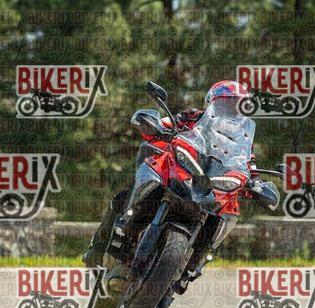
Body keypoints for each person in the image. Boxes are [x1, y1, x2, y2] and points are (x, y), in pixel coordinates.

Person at [82, 80, 254, 269]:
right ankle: (97, 247)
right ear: (210, 103)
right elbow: (167, 123)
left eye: (236, 107)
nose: (230, 111)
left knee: (228, 209)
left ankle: (195, 262)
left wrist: (256, 183)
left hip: (210, 186)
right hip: (179, 171)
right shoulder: (192, 116)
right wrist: (157, 127)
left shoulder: (242, 139)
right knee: (131, 189)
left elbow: (248, 165)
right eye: (225, 105)